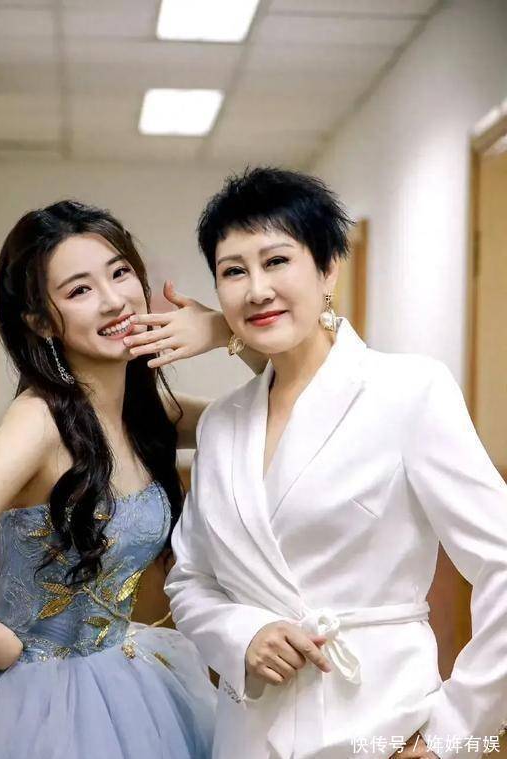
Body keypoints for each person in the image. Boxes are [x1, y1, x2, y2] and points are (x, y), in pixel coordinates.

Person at [0, 199, 256, 759]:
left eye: (119, 273)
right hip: (33, 705)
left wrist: (222, 330)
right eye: (79, 290)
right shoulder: (39, 420)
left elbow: (275, 407)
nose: (114, 300)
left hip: (126, 676)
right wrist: (4, 647)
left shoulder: (148, 412)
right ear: (40, 321)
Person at [164, 167, 507, 759]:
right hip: (250, 730)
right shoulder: (221, 423)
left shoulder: (408, 391)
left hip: (382, 720)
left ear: (328, 269)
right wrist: (243, 634)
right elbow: (190, 578)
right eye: (233, 271)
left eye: (277, 261)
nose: (256, 289)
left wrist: (451, 735)